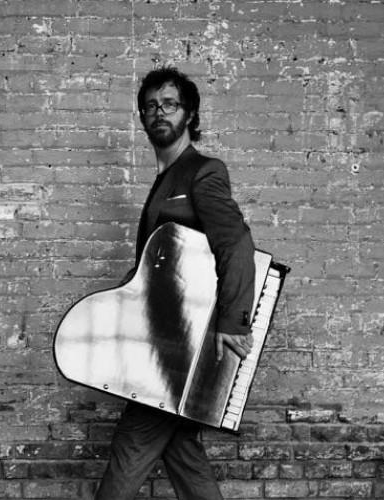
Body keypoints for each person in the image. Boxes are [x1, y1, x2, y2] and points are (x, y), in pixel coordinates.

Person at [94, 67, 256, 500]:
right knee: (184, 455)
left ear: (190, 114)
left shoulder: (203, 172)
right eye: (150, 106)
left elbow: (236, 244)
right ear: (142, 118)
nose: (158, 112)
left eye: (169, 104)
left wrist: (233, 323)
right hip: (163, 347)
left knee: (130, 451)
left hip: (178, 354)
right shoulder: (165, 180)